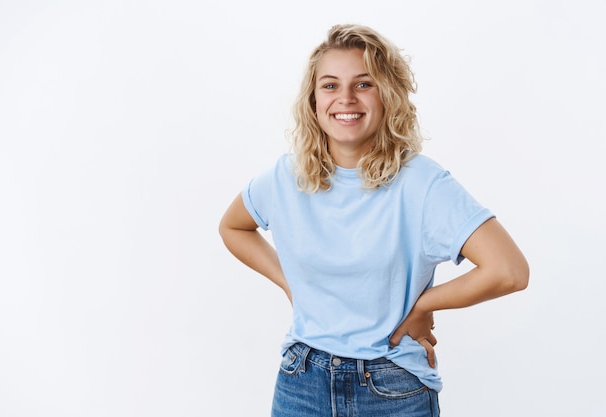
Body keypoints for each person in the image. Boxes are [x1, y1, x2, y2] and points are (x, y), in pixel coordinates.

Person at [219, 23, 529, 417]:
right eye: (330, 85)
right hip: (302, 381)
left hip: (392, 386)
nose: (345, 98)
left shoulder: (423, 184)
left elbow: (509, 270)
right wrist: (290, 284)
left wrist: (423, 306)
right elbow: (233, 227)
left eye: (363, 84)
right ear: (313, 100)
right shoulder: (286, 178)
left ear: (388, 96)